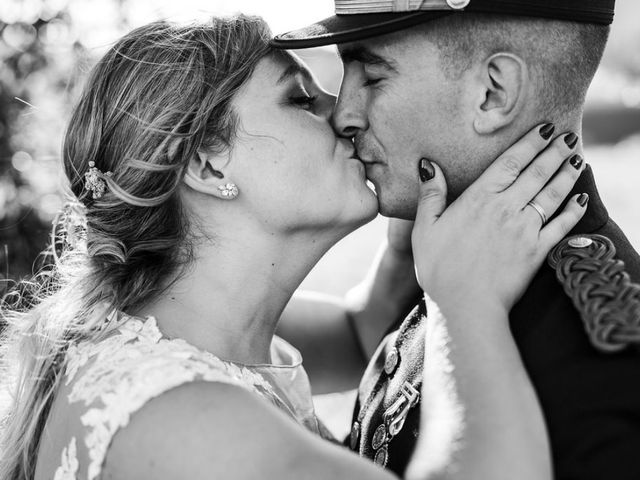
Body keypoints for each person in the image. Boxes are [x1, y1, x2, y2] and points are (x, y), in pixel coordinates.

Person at [0, 13, 589, 480]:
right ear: (207, 162)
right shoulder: (182, 414)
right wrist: (467, 307)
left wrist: (407, 246)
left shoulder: (172, 326)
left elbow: (362, 335)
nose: (345, 115)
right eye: (300, 99)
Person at [273, 0, 640, 478]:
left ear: (492, 93)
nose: (343, 115)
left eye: (373, 76)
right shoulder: (432, 264)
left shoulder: (605, 343)